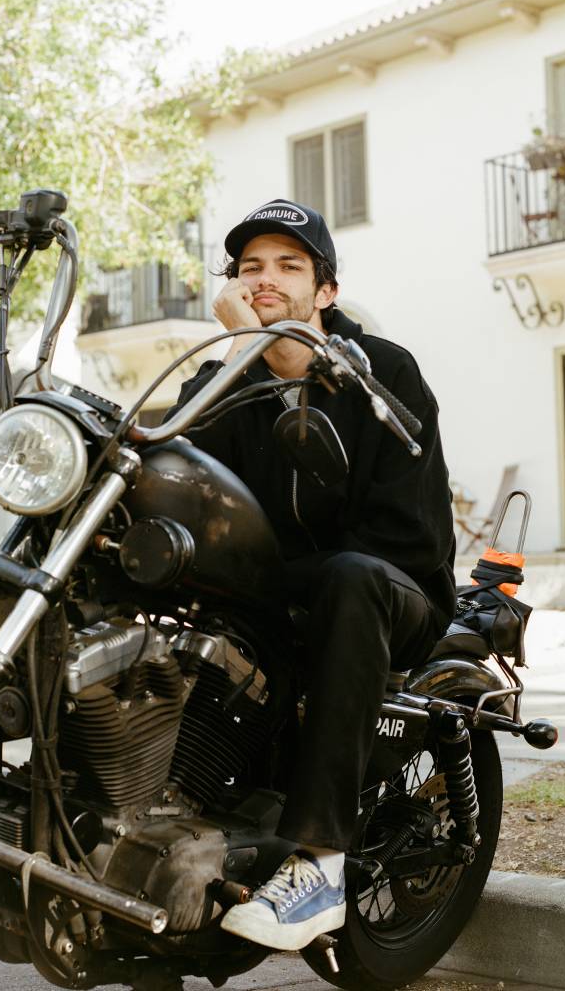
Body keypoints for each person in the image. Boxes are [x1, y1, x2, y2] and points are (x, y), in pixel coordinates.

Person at [169, 199, 456, 951]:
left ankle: (320, 864)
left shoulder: (382, 370)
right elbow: (176, 461)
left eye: (288, 266)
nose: (265, 279)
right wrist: (239, 353)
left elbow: (406, 536)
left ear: (325, 290)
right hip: (278, 598)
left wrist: (278, 577)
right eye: (250, 267)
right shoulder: (229, 373)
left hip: (391, 595)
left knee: (351, 576)